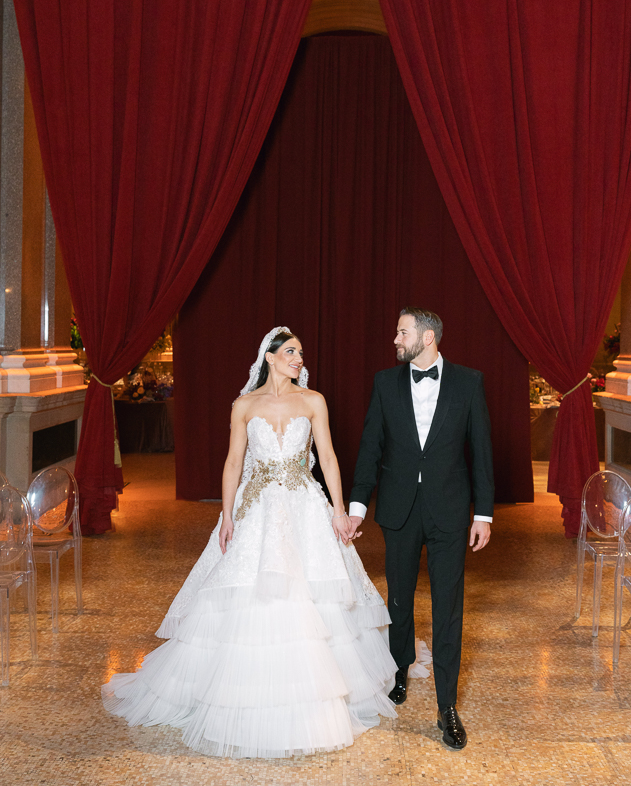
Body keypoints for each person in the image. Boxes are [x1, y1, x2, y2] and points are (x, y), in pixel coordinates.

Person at [103, 327, 397, 758]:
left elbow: (329, 458)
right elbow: (233, 462)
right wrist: (226, 516)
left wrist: (338, 509)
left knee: (316, 596)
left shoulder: (313, 401)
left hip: (304, 507)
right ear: (271, 356)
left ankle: (314, 698)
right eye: (292, 352)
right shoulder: (244, 406)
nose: (299, 359)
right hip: (256, 509)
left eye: (300, 352)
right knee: (244, 595)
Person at [348, 307, 494, 750]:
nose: (395, 338)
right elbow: (370, 445)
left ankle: (447, 707)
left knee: (449, 607)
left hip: (449, 511)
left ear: (427, 337)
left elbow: (482, 450)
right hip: (399, 509)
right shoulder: (385, 382)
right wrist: (357, 505)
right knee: (399, 597)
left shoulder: (469, 382)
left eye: (402, 331)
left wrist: (483, 514)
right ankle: (398, 670)